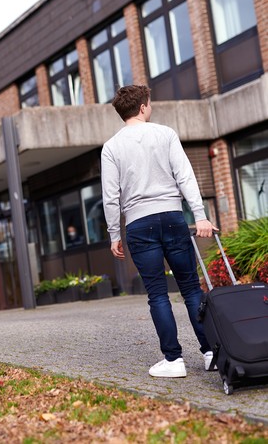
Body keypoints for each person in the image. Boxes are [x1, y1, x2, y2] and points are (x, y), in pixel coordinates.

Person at [101, 85, 218, 378]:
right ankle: (212, 353)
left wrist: (114, 233)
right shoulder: (165, 134)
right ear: (142, 107)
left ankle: (174, 360)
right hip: (172, 216)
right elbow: (185, 176)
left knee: (157, 295)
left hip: (139, 224)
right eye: (149, 103)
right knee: (191, 288)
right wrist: (200, 215)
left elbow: (110, 197)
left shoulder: (112, 147)